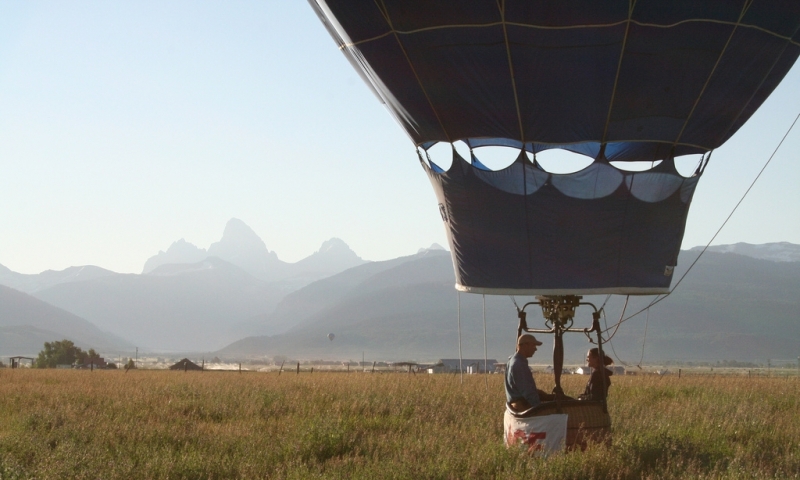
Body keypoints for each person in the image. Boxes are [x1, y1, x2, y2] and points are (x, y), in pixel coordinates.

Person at [505, 334, 554, 412]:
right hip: (523, 407)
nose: (535, 349)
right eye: (533, 345)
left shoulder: (513, 361)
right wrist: (539, 408)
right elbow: (527, 391)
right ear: (525, 345)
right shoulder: (519, 364)